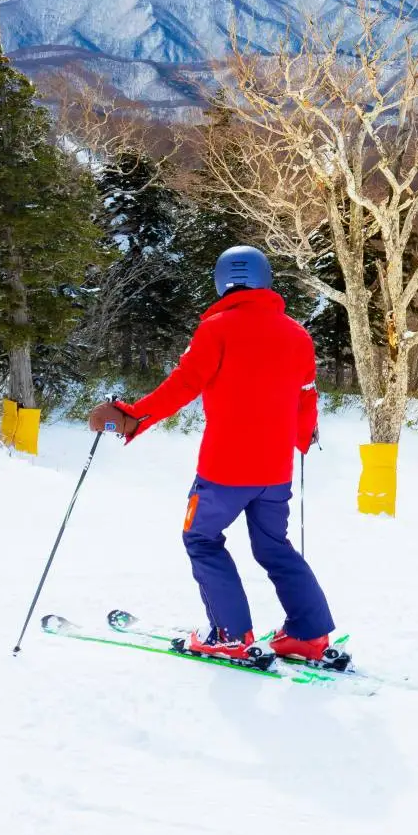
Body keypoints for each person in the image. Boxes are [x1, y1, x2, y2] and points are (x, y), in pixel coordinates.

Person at [88, 245, 341, 667]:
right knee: (274, 547)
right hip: (274, 472)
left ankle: (230, 636)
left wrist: (132, 417)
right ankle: (308, 634)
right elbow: (306, 399)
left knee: (201, 539)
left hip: (224, 470)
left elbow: (183, 385)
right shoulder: (298, 335)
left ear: (222, 282)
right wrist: (296, 441)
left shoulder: (217, 329)